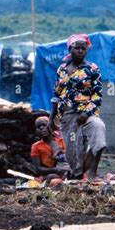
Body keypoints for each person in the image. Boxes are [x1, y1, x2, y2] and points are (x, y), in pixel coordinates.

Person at [48, 34, 106, 180]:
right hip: (67, 116)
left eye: (83, 48)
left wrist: (86, 113)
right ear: (70, 49)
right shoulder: (62, 69)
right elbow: (56, 95)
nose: (80, 51)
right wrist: (51, 118)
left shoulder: (92, 69)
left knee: (98, 130)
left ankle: (93, 172)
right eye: (77, 48)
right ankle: (77, 174)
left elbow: (97, 95)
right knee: (73, 153)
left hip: (86, 114)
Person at [31, 116, 67, 184]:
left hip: (65, 170)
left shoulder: (61, 141)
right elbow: (38, 169)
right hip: (48, 174)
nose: (41, 128)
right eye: (38, 127)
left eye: (44, 125)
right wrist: (55, 170)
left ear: (50, 126)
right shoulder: (36, 146)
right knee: (51, 178)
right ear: (36, 131)